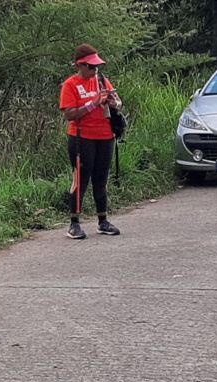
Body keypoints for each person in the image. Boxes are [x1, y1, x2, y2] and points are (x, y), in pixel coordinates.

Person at [59, 44, 122, 240]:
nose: (95, 70)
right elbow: (69, 114)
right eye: (92, 67)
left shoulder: (102, 81)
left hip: (105, 136)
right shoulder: (70, 84)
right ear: (81, 65)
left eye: (97, 67)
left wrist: (114, 103)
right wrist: (93, 103)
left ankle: (103, 220)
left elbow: (119, 102)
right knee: (81, 179)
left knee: (101, 179)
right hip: (81, 138)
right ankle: (74, 223)